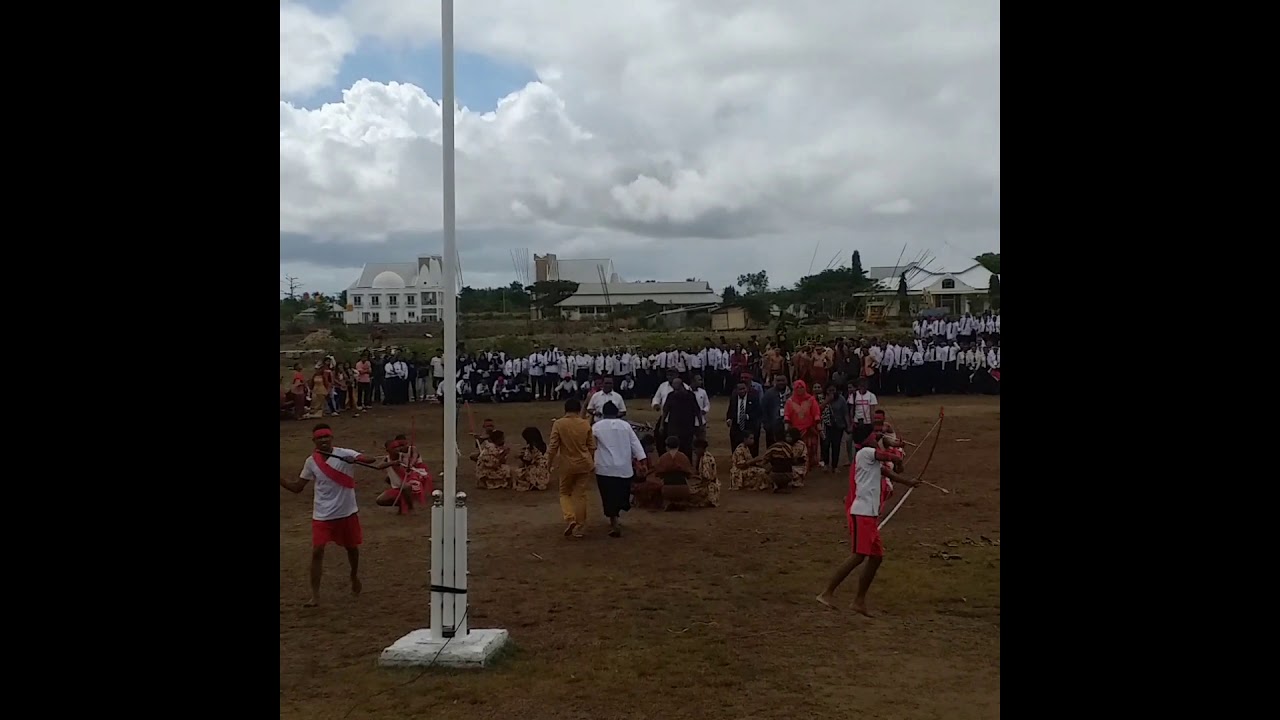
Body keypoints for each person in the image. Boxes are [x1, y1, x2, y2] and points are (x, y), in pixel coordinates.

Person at [816, 425, 920, 616]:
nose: (877, 437)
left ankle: (859, 601)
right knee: (859, 555)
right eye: (874, 436)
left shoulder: (871, 458)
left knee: (876, 557)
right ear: (866, 439)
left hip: (869, 515)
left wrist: (908, 482)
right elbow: (887, 458)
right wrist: (897, 456)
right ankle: (827, 592)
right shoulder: (865, 453)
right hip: (862, 513)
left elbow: (888, 473)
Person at [280, 424, 381, 607]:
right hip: (322, 514)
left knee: (352, 549)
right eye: (320, 438)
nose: (324, 441)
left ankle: (354, 576)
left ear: (331, 438)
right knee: (317, 551)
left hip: (346, 512)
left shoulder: (344, 453)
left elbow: (370, 459)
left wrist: (355, 459)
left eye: (326, 437)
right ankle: (315, 596)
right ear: (314, 441)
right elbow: (297, 488)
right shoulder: (311, 462)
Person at [592, 401, 647, 537]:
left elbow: (591, 445)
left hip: (604, 467)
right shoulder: (625, 426)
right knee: (621, 494)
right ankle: (616, 516)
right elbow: (636, 444)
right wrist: (642, 461)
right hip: (624, 468)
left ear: (603, 413)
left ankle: (613, 518)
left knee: (608, 496)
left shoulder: (596, 427)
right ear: (617, 413)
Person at [548, 398, 596, 537]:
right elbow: (591, 447)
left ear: (565, 409)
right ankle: (580, 526)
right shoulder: (585, 424)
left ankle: (570, 517)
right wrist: (591, 462)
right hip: (584, 463)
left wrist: (549, 463)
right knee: (580, 495)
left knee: (564, 493)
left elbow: (553, 447)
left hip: (567, 464)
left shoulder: (559, 423)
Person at [375, 435, 433, 513]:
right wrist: (392, 463)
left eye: (397, 447)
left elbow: (413, 460)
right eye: (394, 448)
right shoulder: (387, 459)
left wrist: (409, 464)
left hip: (410, 482)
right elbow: (378, 466)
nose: (397, 449)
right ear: (387, 450)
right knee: (380, 500)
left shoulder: (404, 457)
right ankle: (402, 503)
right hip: (398, 488)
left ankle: (410, 508)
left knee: (406, 487)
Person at [784, 380, 821, 471]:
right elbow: (787, 414)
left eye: (802, 387)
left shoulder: (811, 399)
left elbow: (816, 412)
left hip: (809, 429)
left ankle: (810, 466)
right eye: (797, 388)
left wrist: (818, 424)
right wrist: (786, 425)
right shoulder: (790, 401)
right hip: (795, 430)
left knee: (810, 448)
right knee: (797, 449)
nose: (800, 389)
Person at [821, 385, 848, 472]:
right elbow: (818, 409)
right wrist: (827, 401)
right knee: (825, 445)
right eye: (829, 390)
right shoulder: (822, 398)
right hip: (825, 425)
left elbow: (845, 413)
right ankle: (826, 464)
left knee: (836, 446)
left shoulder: (841, 399)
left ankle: (835, 466)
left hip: (838, 425)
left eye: (833, 390)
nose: (832, 392)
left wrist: (848, 424)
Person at [515, 427, 550, 491]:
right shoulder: (545, 446)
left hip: (535, 471)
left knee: (519, 471)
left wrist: (520, 457)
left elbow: (527, 460)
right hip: (544, 472)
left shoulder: (530, 447)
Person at [690, 437, 720, 508]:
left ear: (700, 448)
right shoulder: (704, 456)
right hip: (712, 487)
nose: (694, 452)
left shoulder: (705, 460)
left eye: (695, 449)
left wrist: (696, 485)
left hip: (709, 488)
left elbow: (706, 478)